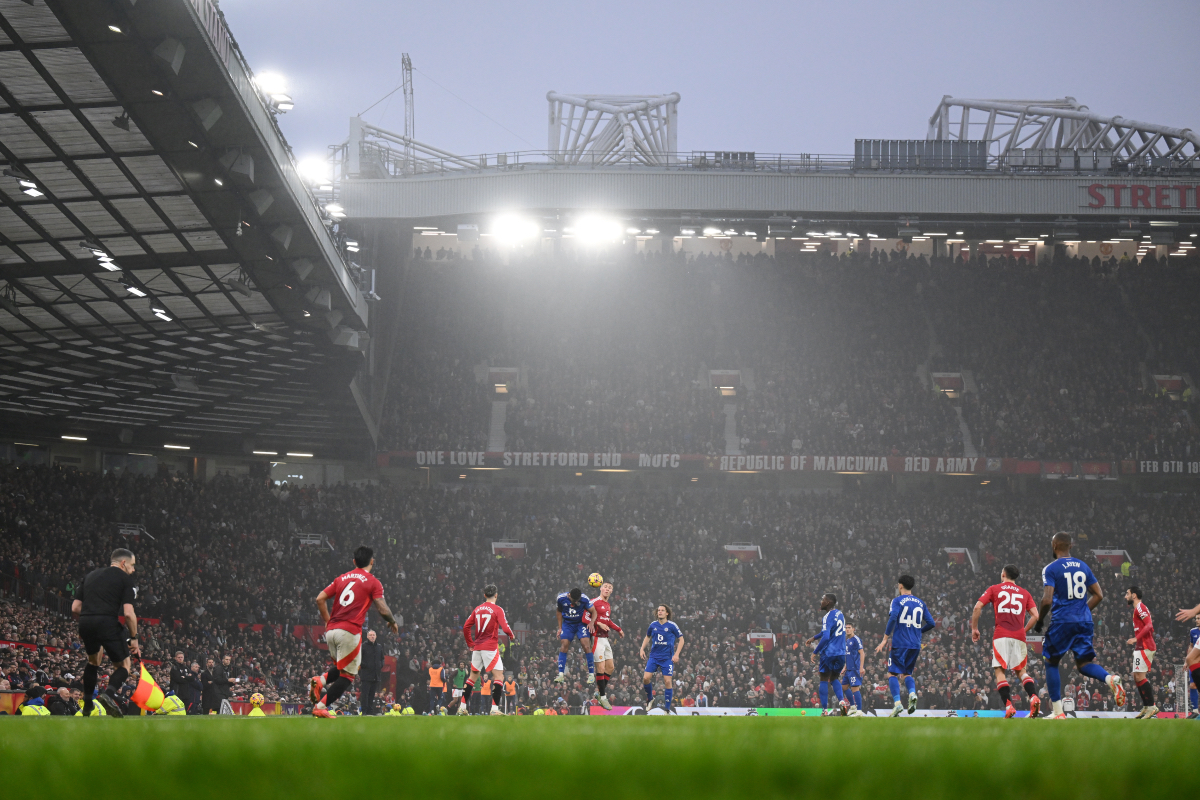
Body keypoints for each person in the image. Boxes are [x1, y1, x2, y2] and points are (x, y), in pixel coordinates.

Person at [1034, 532, 1125, 719]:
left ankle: (1058, 712)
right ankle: (1110, 679)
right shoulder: (1083, 566)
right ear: (1070, 546)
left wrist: (1040, 620)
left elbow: (1046, 600)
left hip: (1062, 621)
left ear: (1054, 546)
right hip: (1084, 621)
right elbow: (1099, 595)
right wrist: (1082, 611)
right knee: (1084, 664)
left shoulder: (1050, 569)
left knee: (1051, 662)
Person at [312, 546, 399, 718]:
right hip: (349, 631)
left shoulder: (341, 578)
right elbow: (381, 607)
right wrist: (392, 621)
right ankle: (321, 706)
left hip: (331, 631)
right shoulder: (373, 582)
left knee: (342, 667)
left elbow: (319, 599)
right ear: (372, 561)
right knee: (348, 676)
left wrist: (328, 621)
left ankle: (320, 681)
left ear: (354, 562)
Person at [71, 547, 139, 718]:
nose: (133, 569)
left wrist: (89, 621)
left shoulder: (90, 576)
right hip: (107, 621)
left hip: (85, 622)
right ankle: (108, 694)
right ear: (123, 563)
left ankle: (87, 706)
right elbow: (129, 614)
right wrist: (134, 638)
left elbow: (75, 607)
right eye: (132, 565)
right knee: (124, 666)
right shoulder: (125, 580)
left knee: (93, 661)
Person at [971, 564, 1041, 719]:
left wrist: (974, 628)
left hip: (1001, 634)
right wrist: (1024, 630)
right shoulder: (1025, 593)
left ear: (1003, 574)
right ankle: (1034, 697)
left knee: (999, 671)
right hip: (1019, 636)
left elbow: (977, 608)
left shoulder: (995, 589)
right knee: (1021, 671)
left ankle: (1009, 706)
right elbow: (1036, 616)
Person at [874, 574, 935, 717]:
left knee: (892, 673)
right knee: (907, 673)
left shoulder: (897, 601)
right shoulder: (921, 603)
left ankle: (897, 704)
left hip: (900, 642)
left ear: (900, 585)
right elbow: (931, 623)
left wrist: (884, 639)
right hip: (915, 644)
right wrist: (918, 632)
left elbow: (893, 617)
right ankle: (912, 693)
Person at [459, 583, 515, 716]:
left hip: (477, 647)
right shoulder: (497, 609)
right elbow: (505, 627)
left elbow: (466, 627)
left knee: (472, 678)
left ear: (484, 595)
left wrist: (470, 644)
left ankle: (462, 707)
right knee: (499, 676)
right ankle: (494, 710)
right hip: (490, 647)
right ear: (496, 595)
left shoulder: (477, 609)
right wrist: (512, 636)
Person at [805, 593, 847, 716]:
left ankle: (824, 710)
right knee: (834, 678)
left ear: (828, 602)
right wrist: (813, 638)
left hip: (829, 653)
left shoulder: (827, 616)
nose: (821, 602)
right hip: (841, 653)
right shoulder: (840, 614)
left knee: (823, 679)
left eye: (823, 600)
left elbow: (826, 637)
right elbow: (826, 631)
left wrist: (815, 651)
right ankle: (842, 703)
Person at [639, 604, 684, 713]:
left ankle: (667, 709)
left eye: (662, 610)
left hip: (667, 658)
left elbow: (681, 640)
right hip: (654, 657)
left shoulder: (672, 625)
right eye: (658, 610)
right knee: (646, 678)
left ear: (667, 613)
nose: (660, 612)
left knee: (668, 681)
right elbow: (647, 637)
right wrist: (642, 649)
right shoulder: (653, 625)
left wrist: (676, 654)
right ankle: (650, 699)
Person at [587, 581, 623, 710]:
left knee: (611, 667)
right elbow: (584, 617)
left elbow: (607, 620)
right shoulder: (594, 602)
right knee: (601, 667)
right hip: (596, 637)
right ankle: (602, 697)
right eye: (606, 587)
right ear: (600, 588)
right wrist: (598, 624)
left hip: (605, 638)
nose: (607, 589)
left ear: (612, 591)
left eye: (610, 588)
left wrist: (618, 629)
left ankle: (599, 692)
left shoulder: (607, 605)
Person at [1124, 586, 1158, 719]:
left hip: (1145, 645)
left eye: (1127, 593)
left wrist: (1135, 638)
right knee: (1136, 677)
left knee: (1140, 677)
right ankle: (1146, 706)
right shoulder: (1137, 609)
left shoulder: (1140, 607)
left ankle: (1152, 706)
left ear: (1134, 595)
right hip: (1140, 646)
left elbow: (1149, 625)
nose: (1125, 596)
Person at [554, 587, 595, 685]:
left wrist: (591, 623)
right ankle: (560, 674)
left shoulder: (584, 598)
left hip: (581, 624)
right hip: (568, 624)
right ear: (570, 596)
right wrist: (560, 628)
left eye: (578, 600)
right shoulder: (561, 598)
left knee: (586, 646)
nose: (576, 602)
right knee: (564, 645)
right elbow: (559, 611)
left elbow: (594, 611)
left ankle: (591, 675)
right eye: (574, 600)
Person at [1173, 602, 1200, 717]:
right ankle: (1195, 711)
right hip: (1195, 660)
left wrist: (1193, 611)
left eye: (1199, 618)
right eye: (1196, 618)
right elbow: (1190, 647)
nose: (1197, 620)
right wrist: (1186, 662)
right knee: (1193, 686)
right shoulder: (1193, 632)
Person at [840, 623, 866, 716]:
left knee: (855, 689)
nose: (847, 630)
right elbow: (849, 655)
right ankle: (852, 707)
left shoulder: (856, 639)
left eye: (849, 628)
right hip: (849, 669)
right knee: (844, 687)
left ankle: (859, 711)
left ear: (853, 629)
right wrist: (845, 667)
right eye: (846, 628)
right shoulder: (847, 640)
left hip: (855, 668)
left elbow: (862, 653)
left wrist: (861, 667)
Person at [360, 630, 385, 715]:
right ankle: (364, 711)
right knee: (365, 694)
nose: (372, 636)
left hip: (376, 675)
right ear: (367, 637)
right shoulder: (363, 646)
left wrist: (380, 665)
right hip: (366, 675)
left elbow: (382, 658)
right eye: (370, 635)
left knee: (372, 694)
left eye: (373, 635)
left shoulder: (379, 647)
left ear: (376, 636)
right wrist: (365, 665)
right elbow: (359, 658)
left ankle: (370, 711)